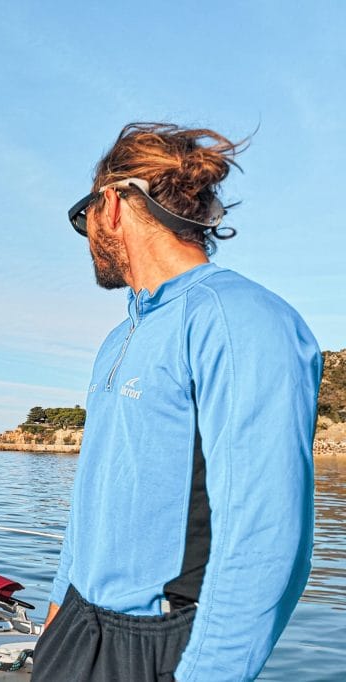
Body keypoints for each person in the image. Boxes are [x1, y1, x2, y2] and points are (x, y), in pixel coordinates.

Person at [32, 123, 322, 682]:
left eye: (82, 217)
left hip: (164, 645)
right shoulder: (121, 339)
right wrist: (56, 616)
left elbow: (267, 536)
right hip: (78, 630)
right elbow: (93, 495)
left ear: (112, 204)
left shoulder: (240, 320)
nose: (86, 234)